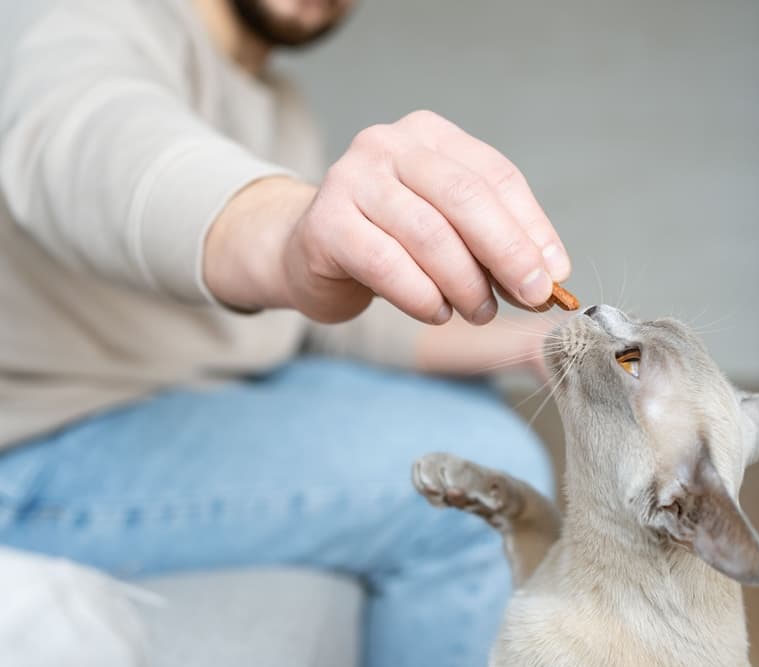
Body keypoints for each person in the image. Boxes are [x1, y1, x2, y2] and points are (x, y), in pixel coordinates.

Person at [0, 1, 572, 665]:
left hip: (170, 398)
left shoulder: (281, 111)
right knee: (479, 477)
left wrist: (531, 341)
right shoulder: (87, 21)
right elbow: (97, 144)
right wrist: (288, 229)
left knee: (468, 402)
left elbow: (312, 319)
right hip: (42, 448)